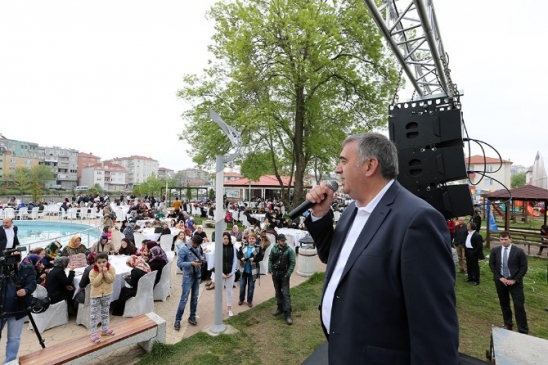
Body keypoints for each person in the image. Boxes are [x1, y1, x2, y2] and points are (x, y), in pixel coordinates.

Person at [304, 133, 458, 364]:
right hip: (344, 351)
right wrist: (320, 215)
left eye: (344, 161)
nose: (337, 169)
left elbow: (433, 326)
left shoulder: (417, 220)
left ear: (369, 166)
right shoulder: (351, 212)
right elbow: (333, 258)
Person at [0, 251, 37, 363]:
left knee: (14, 338)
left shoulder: (27, 267)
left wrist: (26, 290)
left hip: (18, 307)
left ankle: (10, 362)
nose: (13, 258)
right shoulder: (2, 267)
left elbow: (32, 283)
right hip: (1, 307)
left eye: (16, 255)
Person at [489, 231, 529, 334]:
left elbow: (524, 267)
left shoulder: (518, 251)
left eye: (505, 239)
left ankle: (523, 329)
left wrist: (515, 280)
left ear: (510, 239)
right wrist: (500, 278)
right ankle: (508, 324)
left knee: (519, 305)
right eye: (501, 239)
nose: (503, 241)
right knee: (504, 303)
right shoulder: (495, 250)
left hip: (515, 282)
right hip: (501, 281)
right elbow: (492, 265)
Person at [174, 235, 204, 330]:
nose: (197, 246)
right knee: (184, 298)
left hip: (197, 275)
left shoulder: (198, 248)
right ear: (192, 242)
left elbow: (199, 255)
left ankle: (192, 316)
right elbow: (179, 263)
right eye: (196, 245)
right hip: (188, 277)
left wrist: (201, 260)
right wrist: (191, 263)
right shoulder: (183, 249)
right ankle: (178, 320)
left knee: (195, 297)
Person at [268, 234, 296, 325]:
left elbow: (292, 263)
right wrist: (270, 269)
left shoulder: (289, 251)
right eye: (282, 241)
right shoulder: (274, 249)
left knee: (286, 293)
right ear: (278, 241)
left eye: (284, 241)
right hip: (275, 274)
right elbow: (270, 259)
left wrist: (287, 274)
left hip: (284, 275)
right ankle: (280, 308)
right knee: (278, 292)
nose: (284, 242)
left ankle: (287, 314)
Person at [88, 253, 116, 343]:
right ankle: (93, 333)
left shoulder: (111, 269)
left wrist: (106, 272)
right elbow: (95, 283)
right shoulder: (92, 272)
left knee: (105, 312)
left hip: (107, 294)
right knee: (93, 315)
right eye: (99, 262)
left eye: (104, 262)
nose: (102, 264)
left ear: (107, 261)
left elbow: (111, 280)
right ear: (95, 263)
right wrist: (100, 274)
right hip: (95, 295)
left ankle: (105, 329)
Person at [237, 232, 263, 308]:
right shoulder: (243, 246)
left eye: (253, 238)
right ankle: (241, 299)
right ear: (248, 239)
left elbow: (261, 257)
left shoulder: (258, 248)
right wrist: (241, 258)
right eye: (250, 238)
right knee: (242, 286)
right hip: (243, 270)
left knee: (251, 287)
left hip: (253, 270)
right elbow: (238, 254)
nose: (251, 240)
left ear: (255, 240)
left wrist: (254, 259)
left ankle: (249, 301)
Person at [219, 232, 237, 317]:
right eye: (224, 238)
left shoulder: (233, 248)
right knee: (220, 291)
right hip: (221, 273)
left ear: (229, 240)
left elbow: (235, 261)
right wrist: (221, 273)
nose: (226, 240)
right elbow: (216, 262)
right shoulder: (218, 248)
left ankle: (229, 309)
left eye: (227, 239)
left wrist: (232, 272)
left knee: (229, 291)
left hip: (230, 273)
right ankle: (219, 309)